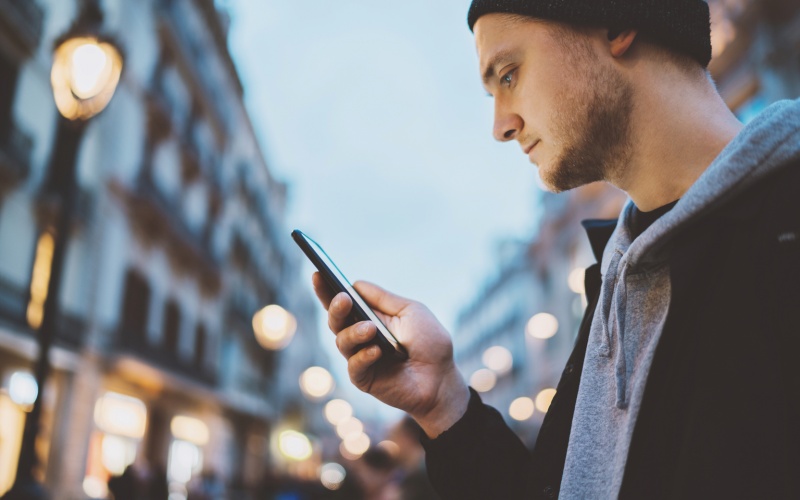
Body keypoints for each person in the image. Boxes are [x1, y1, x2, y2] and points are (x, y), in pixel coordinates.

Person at [311, 0, 800, 498]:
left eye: (507, 75)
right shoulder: (615, 283)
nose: (500, 126)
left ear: (617, 21)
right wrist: (442, 402)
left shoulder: (783, 229)